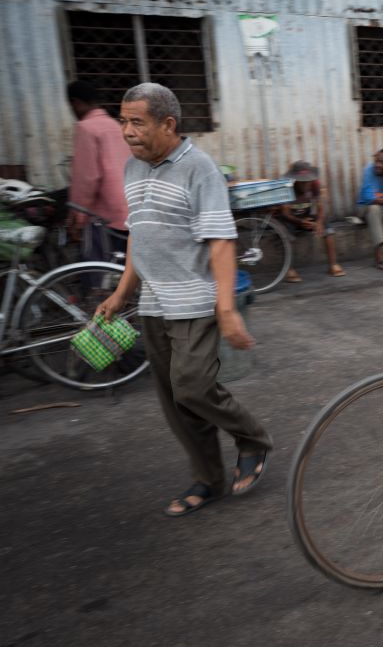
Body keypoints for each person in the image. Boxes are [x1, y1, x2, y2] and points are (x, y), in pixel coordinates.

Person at [96, 83, 271, 517]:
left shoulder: (199, 168)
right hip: (153, 304)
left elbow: (221, 241)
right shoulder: (133, 169)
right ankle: (208, 480)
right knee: (176, 400)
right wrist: (122, 293)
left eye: (137, 122)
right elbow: (141, 232)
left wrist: (227, 310)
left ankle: (252, 437)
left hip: (194, 300)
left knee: (192, 386)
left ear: (167, 124)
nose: (127, 131)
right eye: (123, 121)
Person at [67, 81, 130, 260]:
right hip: (129, 207)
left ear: (75, 102)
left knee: (98, 273)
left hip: (105, 213)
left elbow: (86, 178)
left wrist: (77, 217)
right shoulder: (115, 125)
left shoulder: (86, 128)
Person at [278, 160, 345, 282]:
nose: (305, 184)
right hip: (290, 219)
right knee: (285, 231)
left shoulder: (315, 184)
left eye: (307, 181)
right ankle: (289, 269)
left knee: (327, 226)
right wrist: (300, 222)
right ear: (295, 179)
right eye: (301, 181)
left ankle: (333, 265)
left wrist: (318, 222)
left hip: (306, 216)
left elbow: (321, 206)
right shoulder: (286, 187)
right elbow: (285, 213)